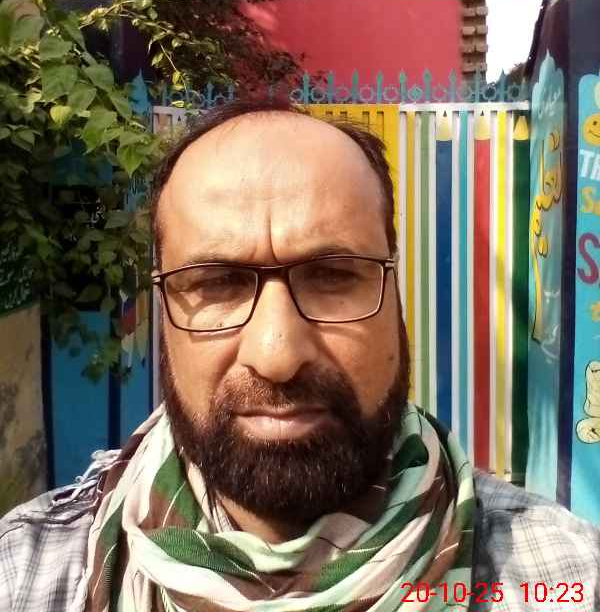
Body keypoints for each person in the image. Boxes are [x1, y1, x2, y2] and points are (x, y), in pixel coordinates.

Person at [1, 98, 599, 612]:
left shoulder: (563, 578)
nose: (277, 354)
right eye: (217, 283)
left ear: (395, 296)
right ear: (164, 310)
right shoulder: (25, 576)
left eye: (333, 275)